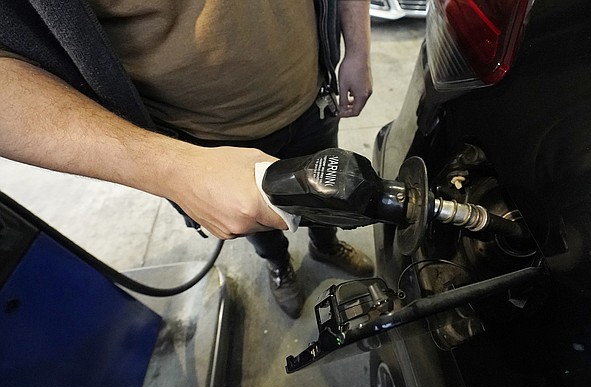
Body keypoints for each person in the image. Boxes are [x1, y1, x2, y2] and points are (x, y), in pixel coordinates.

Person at [0, 0, 374, 318]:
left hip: (310, 99)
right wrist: (171, 168)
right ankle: (278, 265)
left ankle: (325, 244)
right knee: (258, 221)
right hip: (203, 137)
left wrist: (358, 49)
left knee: (328, 195)